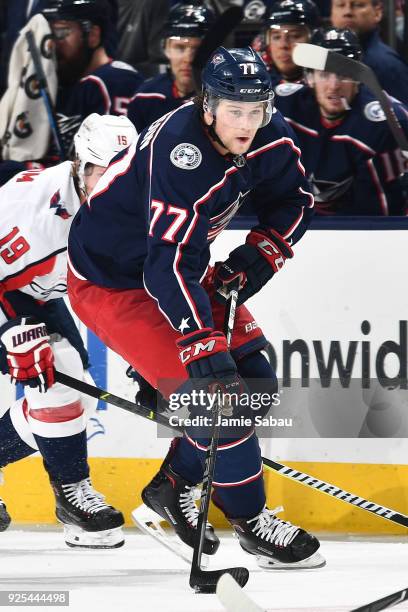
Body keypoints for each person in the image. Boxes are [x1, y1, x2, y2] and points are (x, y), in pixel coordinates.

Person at [67, 46, 324, 569]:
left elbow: (297, 198)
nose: (248, 124)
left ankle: (172, 486)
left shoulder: (271, 133)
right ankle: (252, 524)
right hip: (115, 283)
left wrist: (261, 253)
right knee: (220, 401)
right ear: (207, 105)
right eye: (235, 110)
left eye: (258, 110)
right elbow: (164, 267)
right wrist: (201, 348)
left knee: (258, 381)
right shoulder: (180, 151)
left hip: (179, 266)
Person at [0, 112, 137, 547]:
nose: (113, 183)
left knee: (71, 384)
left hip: (32, 290)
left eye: (124, 171)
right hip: (9, 287)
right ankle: (74, 498)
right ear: (80, 166)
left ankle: (73, 501)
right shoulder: (32, 214)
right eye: (101, 171)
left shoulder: (136, 202)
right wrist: (13, 332)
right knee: (54, 382)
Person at [274, 26, 408, 215]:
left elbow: (379, 221)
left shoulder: (384, 125)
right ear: (309, 78)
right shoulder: (284, 106)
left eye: (344, 74)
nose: (334, 86)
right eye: (324, 74)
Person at [42, 0, 143, 155]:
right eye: (49, 34)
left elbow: (110, 164)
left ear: (93, 35)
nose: (53, 44)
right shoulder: (60, 81)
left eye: (61, 32)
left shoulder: (117, 81)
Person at [127, 3, 216, 134]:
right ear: (166, 48)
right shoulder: (145, 97)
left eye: (198, 49)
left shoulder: (223, 100)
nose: (188, 59)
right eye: (180, 48)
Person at [330, 0, 408, 104]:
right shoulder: (324, 58)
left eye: (358, 5)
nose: (347, 12)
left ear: (377, 13)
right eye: (340, 5)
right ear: (331, 13)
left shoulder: (387, 65)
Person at [261, 0, 320, 87]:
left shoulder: (330, 88)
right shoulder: (260, 87)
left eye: (294, 36)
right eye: (277, 37)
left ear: (314, 40)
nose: (283, 45)